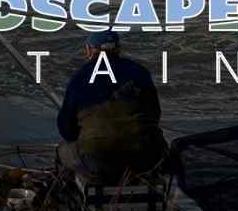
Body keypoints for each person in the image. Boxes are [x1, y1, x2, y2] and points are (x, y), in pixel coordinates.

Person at [57, 30, 166, 185]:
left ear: (88, 50)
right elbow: (155, 114)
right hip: (144, 158)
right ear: (118, 49)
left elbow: (66, 130)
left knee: (62, 151)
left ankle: (73, 201)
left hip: (98, 161)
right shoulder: (140, 72)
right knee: (157, 144)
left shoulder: (79, 77)